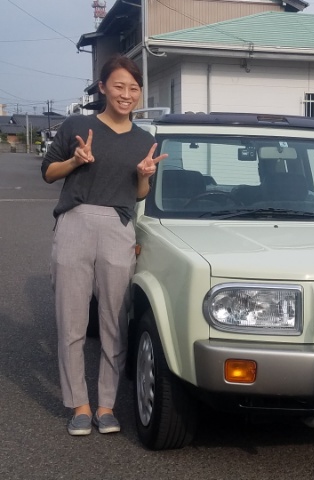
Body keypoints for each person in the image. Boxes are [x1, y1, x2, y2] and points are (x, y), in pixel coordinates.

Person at [41, 55, 167, 436]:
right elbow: (48, 173)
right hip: (75, 221)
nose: (126, 94)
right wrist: (76, 161)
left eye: (133, 88)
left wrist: (145, 176)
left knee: (115, 321)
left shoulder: (145, 140)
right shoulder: (78, 126)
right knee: (72, 321)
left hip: (118, 226)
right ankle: (79, 404)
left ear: (139, 92)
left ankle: (107, 405)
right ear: (102, 87)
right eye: (118, 86)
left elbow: (141, 194)